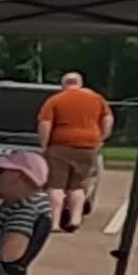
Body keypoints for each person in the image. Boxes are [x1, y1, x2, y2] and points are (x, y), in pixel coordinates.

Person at [38, 71, 114, 232]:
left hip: (60, 146)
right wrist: (101, 138)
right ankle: (75, 220)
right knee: (78, 185)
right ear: (80, 83)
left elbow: (45, 123)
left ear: (63, 84)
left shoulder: (56, 100)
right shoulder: (97, 99)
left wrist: (45, 145)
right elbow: (108, 119)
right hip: (87, 146)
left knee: (56, 186)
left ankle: (55, 223)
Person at [0, 152, 52, 266]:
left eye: (0, 172)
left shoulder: (25, 208)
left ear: (20, 177)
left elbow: (9, 254)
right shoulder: (38, 199)